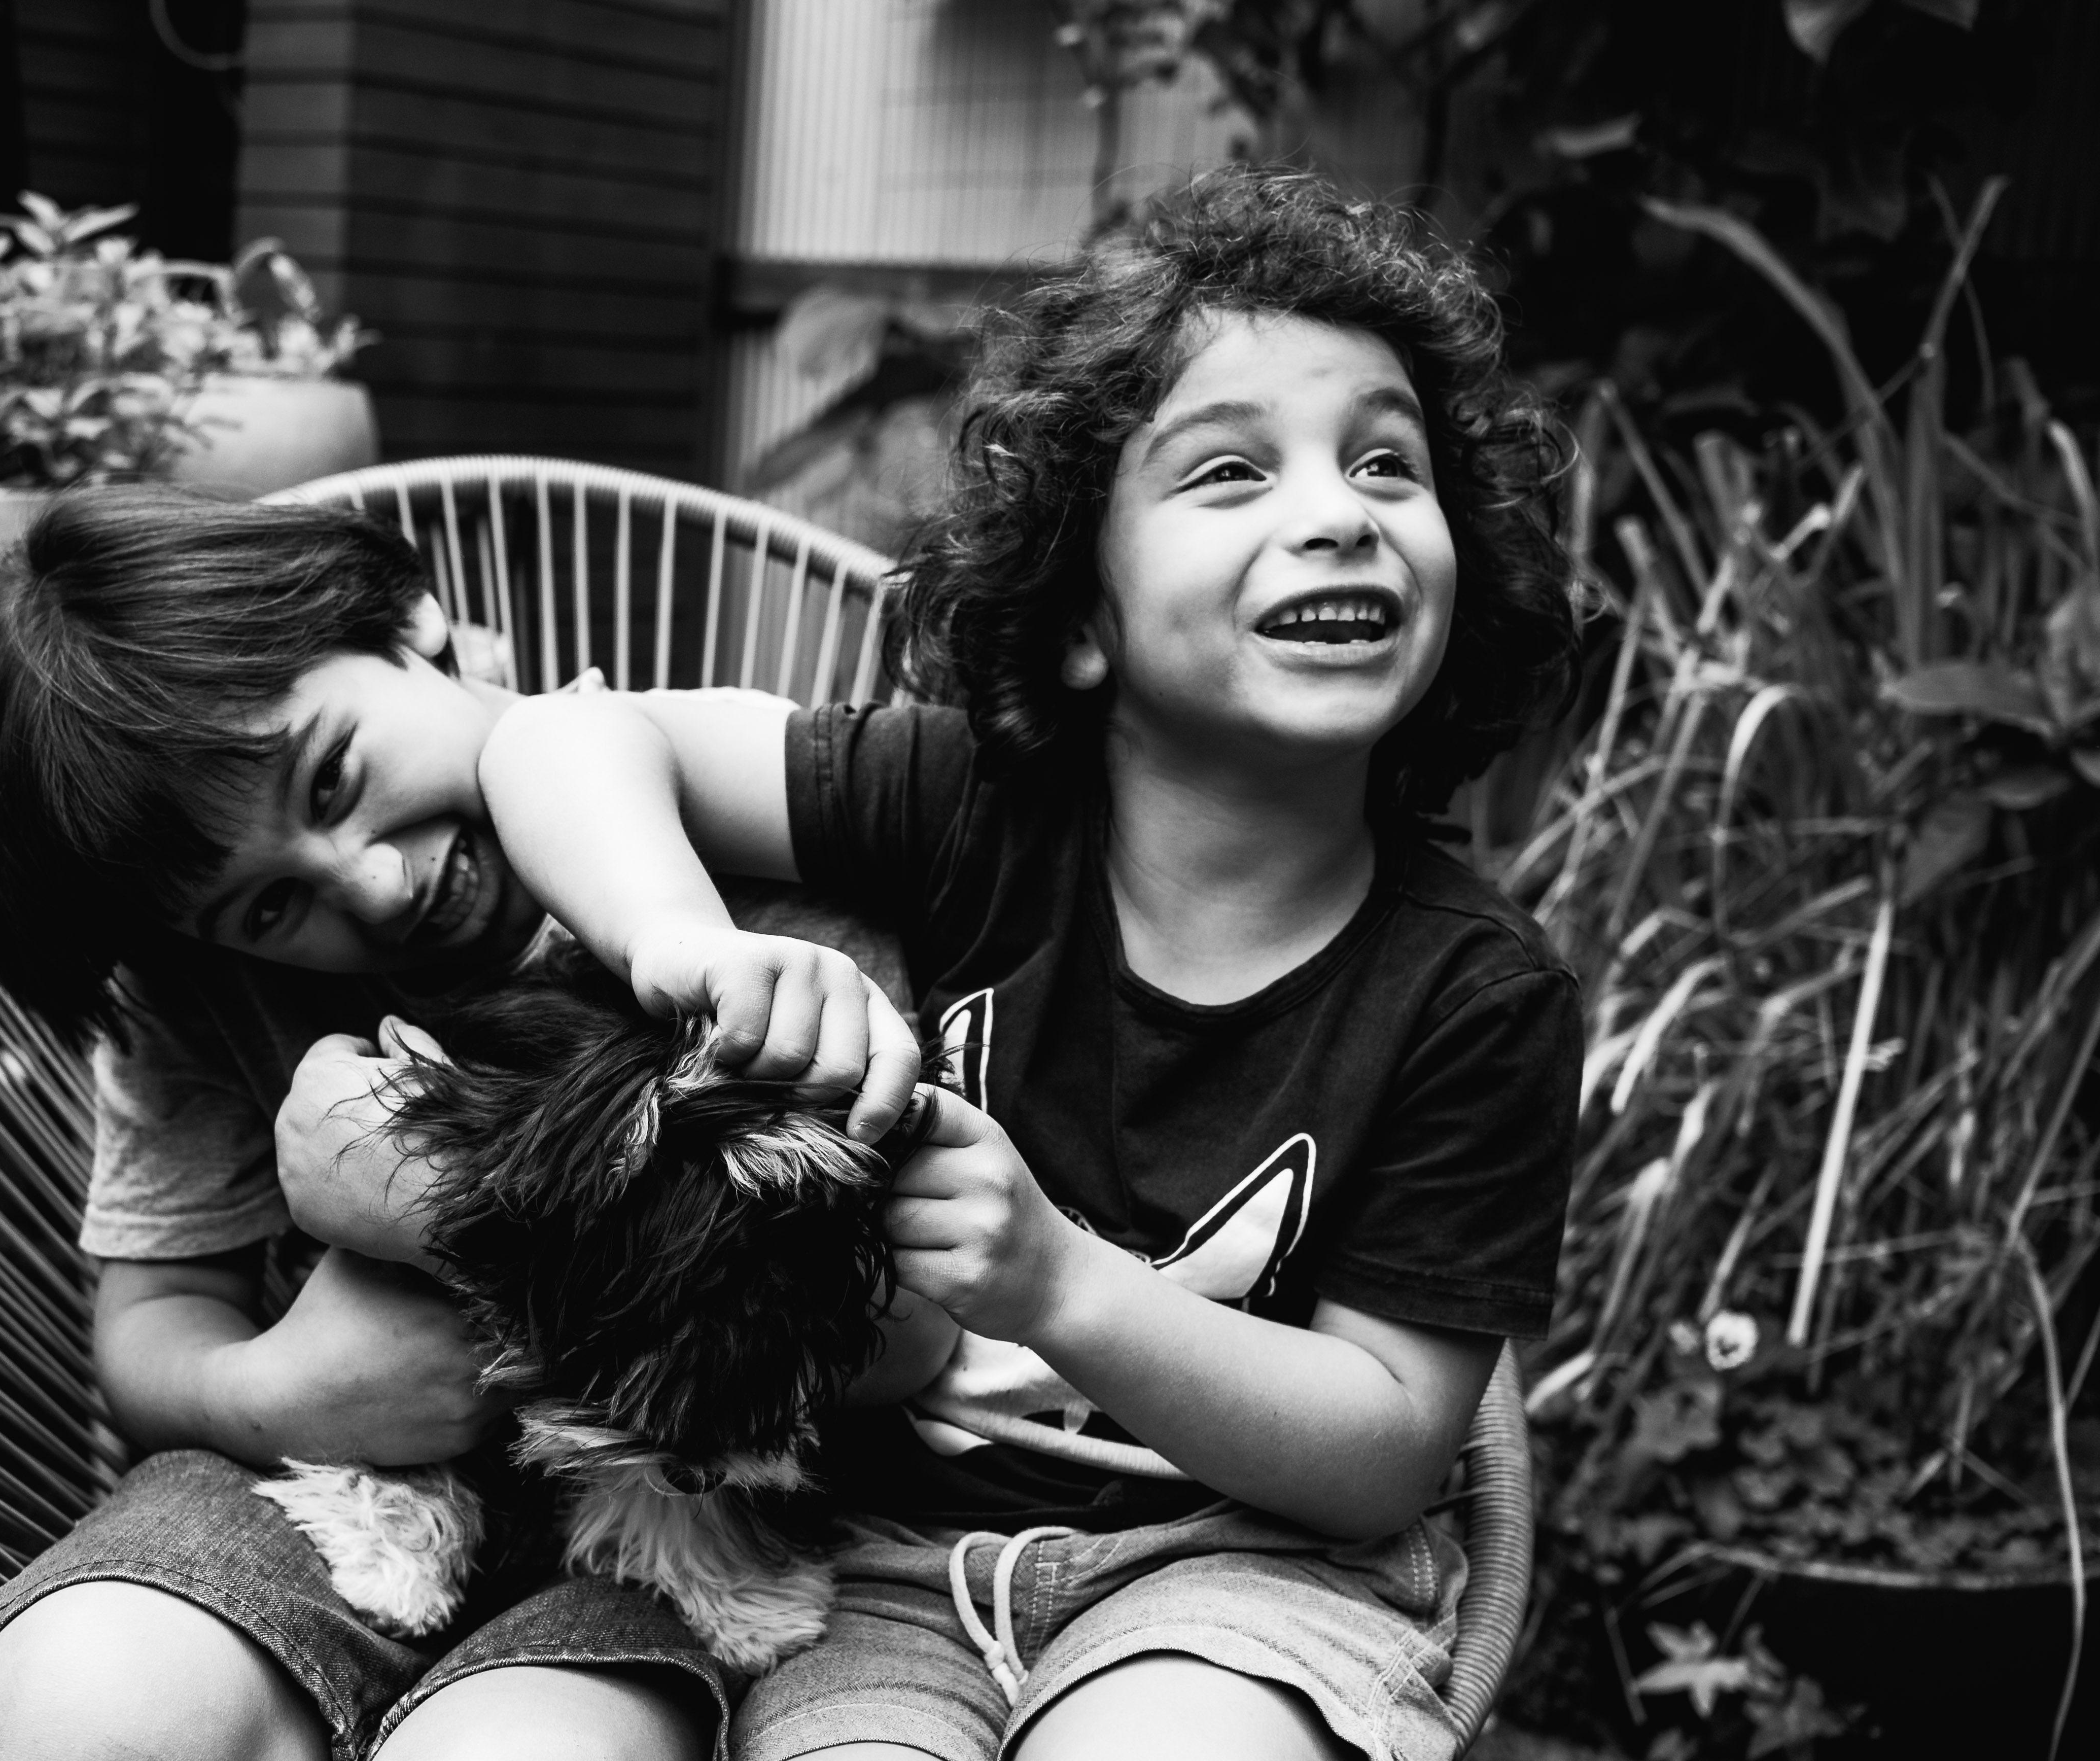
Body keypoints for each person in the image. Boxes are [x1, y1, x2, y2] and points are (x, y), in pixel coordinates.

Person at [296, 166, 1587, 1761]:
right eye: (1232, 474)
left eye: (1388, 463)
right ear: (1078, 619)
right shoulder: (965, 803)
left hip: (1246, 1577)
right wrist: (683, 942)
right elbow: (567, 736)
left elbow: (1387, 1447)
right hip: (874, 1570)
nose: (1338, 511)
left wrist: (1064, 1287)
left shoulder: (1475, 995)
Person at [0, 488, 931, 1761]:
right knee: (82, 1703)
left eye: (335, 775)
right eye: (268, 908)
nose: (375, 882)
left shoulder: (741, 866)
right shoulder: (204, 991)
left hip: (689, 1519)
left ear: (413, 623)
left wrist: (417, 1195)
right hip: (315, 1478)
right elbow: (150, 1328)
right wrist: (281, 1386)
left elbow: (903, 1336)